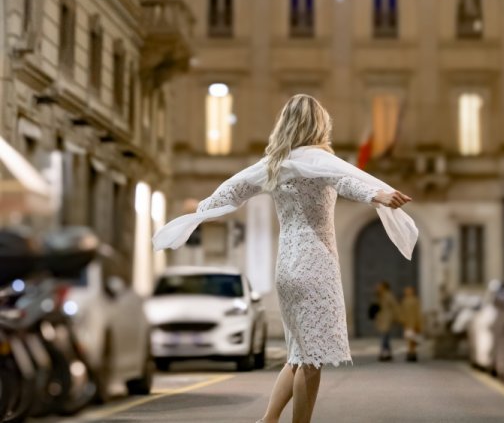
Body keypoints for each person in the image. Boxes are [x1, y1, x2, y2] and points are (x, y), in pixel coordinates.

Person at [152, 94, 418, 423]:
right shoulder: (320, 162)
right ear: (320, 125)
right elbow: (346, 182)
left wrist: (200, 210)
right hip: (316, 263)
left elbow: (232, 189)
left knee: (297, 355)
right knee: (312, 360)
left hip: (287, 266)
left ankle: (267, 420)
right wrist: (377, 194)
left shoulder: (274, 165)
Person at [373, 281, 398, 361]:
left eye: (380, 286)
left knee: (384, 336)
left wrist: (395, 317)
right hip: (381, 318)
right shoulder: (379, 295)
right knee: (386, 337)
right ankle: (389, 353)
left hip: (387, 318)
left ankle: (382, 353)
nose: (378, 287)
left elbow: (394, 306)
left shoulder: (389, 295)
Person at [397, 285, 423, 362]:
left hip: (414, 322)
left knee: (413, 339)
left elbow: (419, 313)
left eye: (409, 290)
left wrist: (419, 323)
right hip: (407, 322)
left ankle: (413, 353)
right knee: (409, 339)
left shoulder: (416, 300)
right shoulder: (404, 301)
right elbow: (401, 312)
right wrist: (402, 320)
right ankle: (410, 353)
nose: (407, 292)